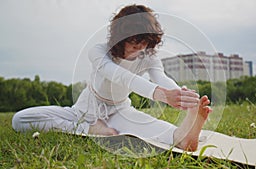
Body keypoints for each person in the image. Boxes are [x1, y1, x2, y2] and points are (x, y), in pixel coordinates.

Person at [12, 4, 212, 151]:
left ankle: (187, 133)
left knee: (173, 138)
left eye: (144, 46)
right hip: (84, 111)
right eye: (134, 46)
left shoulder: (147, 57)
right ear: (121, 39)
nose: (139, 52)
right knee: (20, 120)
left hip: (121, 112)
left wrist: (181, 94)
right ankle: (91, 129)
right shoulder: (99, 52)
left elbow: (161, 77)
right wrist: (160, 95)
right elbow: (120, 76)